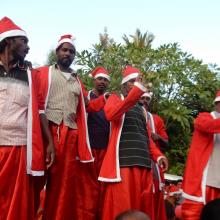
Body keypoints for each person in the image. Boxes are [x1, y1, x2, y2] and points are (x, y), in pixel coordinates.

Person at [36, 34, 106, 220]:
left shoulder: (77, 81)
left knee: (61, 185)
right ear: (57, 52)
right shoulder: (43, 72)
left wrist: (105, 100)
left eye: (72, 51)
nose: (68, 53)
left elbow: (87, 107)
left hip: (71, 134)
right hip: (46, 129)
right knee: (36, 178)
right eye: (65, 50)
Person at [98, 65, 168, 220]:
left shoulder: (141, 110)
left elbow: (147, 137)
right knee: (123, 210)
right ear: (124, 85)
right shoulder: (115, 99)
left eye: (138, 82)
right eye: (132, 82)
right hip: (124, 165)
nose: (137, 85)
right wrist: (137, 91)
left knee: (142, 211)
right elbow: (111, 114)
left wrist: (158, 156)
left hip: (144, 166)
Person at [0, 16, 47, 220]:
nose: (28, 47)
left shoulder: (29, 74)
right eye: (24, 41)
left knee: (17, 205)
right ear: (9, 41)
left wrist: (49, 143)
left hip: (20, 149)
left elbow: (39, 108)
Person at [75, 66, 110, 219]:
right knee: (85, 188)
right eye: (100, 79)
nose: (102, 82)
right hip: (88, 149)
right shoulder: (85, 97)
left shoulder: (111, 100)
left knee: (102, 187)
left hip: (105, 150)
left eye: (105, 80)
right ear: (94, 80)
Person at [182, 91, 220, 220]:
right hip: (206, 181)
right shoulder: (204, 117)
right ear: (216, 104)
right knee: (197, 215)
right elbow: (208, 126)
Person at [139, 92, 169, 220]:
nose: (145, 101)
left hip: (154, 161)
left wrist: (158, 137)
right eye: (143, 98)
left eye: (147, 99)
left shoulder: (156, 119)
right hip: (136, 156)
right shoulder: (130, 111)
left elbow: (167, 143)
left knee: (154, 192)